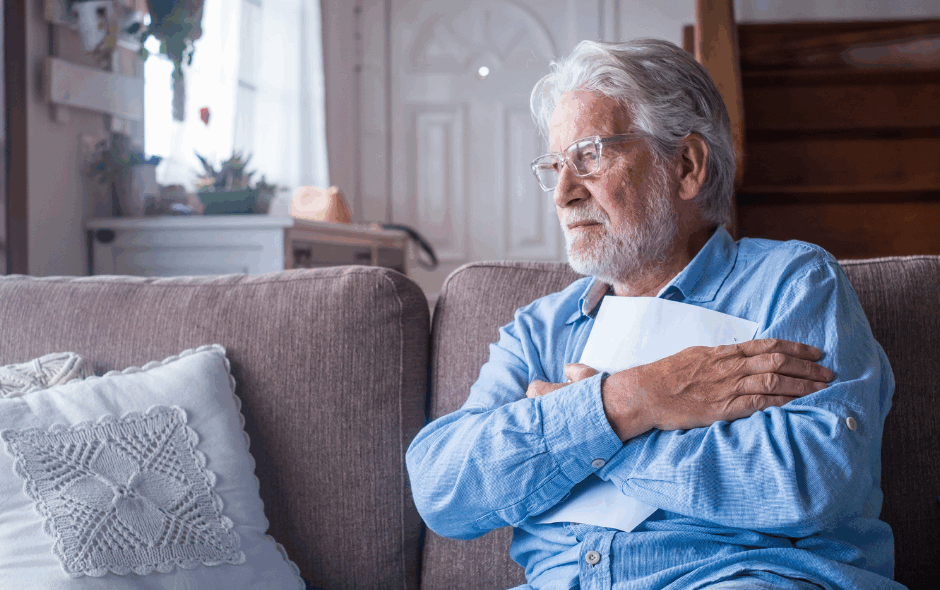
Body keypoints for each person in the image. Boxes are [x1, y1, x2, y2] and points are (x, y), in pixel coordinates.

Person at [405, 39, 903, 590]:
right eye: (554, 166)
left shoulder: (791, 285)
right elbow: (441, 489)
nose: (564, 193)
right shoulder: (540, 329)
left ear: (686, 166)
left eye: (590, 156)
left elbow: (813, 479)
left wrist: (592, 431)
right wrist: (633, 399)